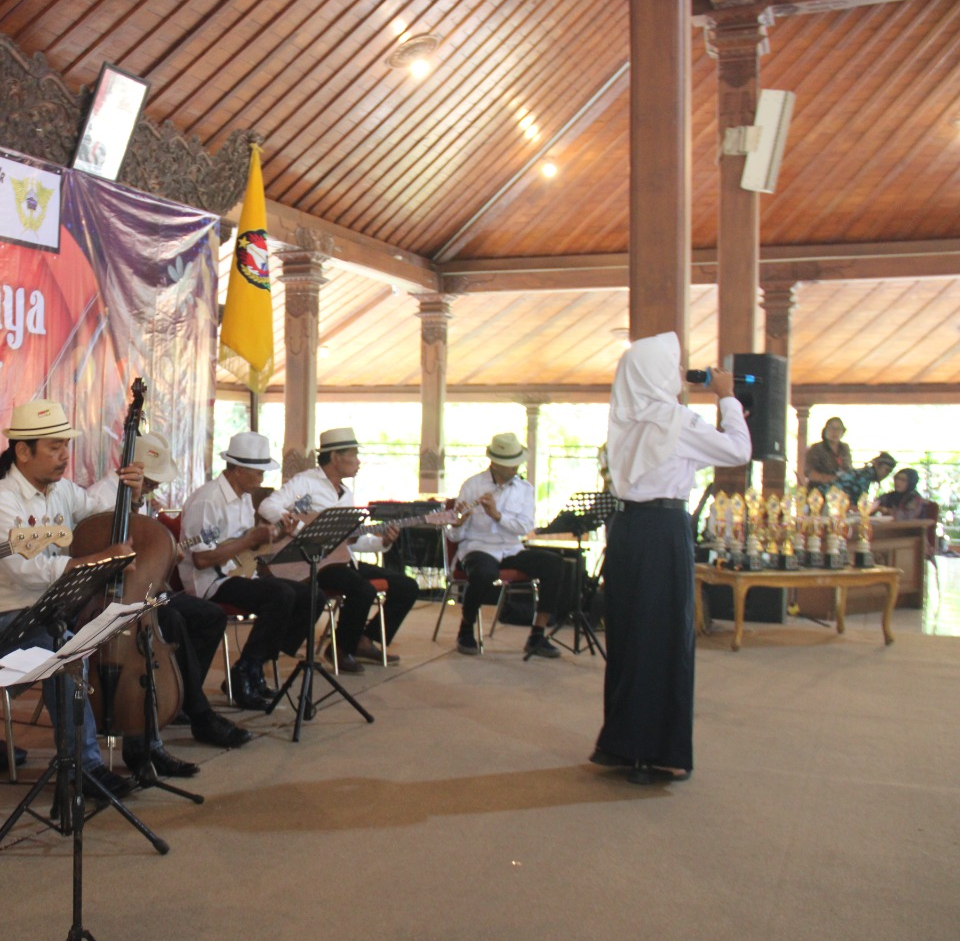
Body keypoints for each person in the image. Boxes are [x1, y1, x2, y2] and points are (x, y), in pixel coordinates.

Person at [0, 399, 140, 799]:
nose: (63, 457)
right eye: (54, 448)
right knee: (65, 654)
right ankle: (83, 767)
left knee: (103, 634)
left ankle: (140, 745)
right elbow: (25, 573)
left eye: (65, 447)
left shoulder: (62, 492)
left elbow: (99, 514)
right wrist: (96, 561)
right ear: (23, 451)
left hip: (49, 612)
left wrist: (130, 494)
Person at [592, 332, 750, 785]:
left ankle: (623, 744)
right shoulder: (676, 422)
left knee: (630, 637)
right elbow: (737, 450)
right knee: (664, 638)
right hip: (663, 533)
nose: (681, 377)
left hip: (626, 532)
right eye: (675, 368)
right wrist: (728, 398)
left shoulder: (625, 419)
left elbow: (669, 462)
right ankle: (659, 753)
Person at [86, 432, 253, 765]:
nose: (152, 488)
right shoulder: (101, 500)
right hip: (111, 598)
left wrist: (166, 553)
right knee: (172, 620)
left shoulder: (139, 497)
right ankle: (199, 713)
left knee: (209, 616)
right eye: (149, 481)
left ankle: (175, 699)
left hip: (146, 590)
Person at [258, 428, 420, 673]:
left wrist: (382, 542)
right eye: (353, 455)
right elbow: (268, 506)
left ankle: (363, 640)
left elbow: (349, 542)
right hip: (312, 561)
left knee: (407, 586)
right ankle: (341, 649)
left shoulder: (346, 493)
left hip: (342, 560)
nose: (358, 462)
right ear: (335, 457)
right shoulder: (306, 481)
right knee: (361, 590)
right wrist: (306, 531)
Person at [178, 431, 319, 710]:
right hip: (211, 581)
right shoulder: (208, 500)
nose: (262, 479)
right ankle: (245, 672)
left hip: (238, 572)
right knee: (280, 595)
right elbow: (201, 560)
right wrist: (249, 540)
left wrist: (275, 537)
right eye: (257, 472)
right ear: (238, 470)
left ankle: (257, 661)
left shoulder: (243, 496)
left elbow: (246, 550)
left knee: (311, 595)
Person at [442, 432, 567, 659]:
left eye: (516, 463)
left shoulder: (525, 489)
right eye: (511, 465)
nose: (516, 468)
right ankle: (466, 629)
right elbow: (455, 536)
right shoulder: (472, 485)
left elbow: (523, 527)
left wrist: (497, 515)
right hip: (478, 547)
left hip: (511, 548)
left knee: (554, 565)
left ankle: (537, 635)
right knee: (483, 572)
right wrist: (459, 522)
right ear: (496, 464)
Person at [803, 416, 852, 491]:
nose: (834, 432)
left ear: (842, 432)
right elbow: (809, 472)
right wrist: (831, 478)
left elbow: (849, 469)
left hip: (841, 490)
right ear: (825, 430)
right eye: (831, 428)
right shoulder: (816, 448)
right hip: (819, 490)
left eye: (838, 429)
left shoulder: (845, 448)